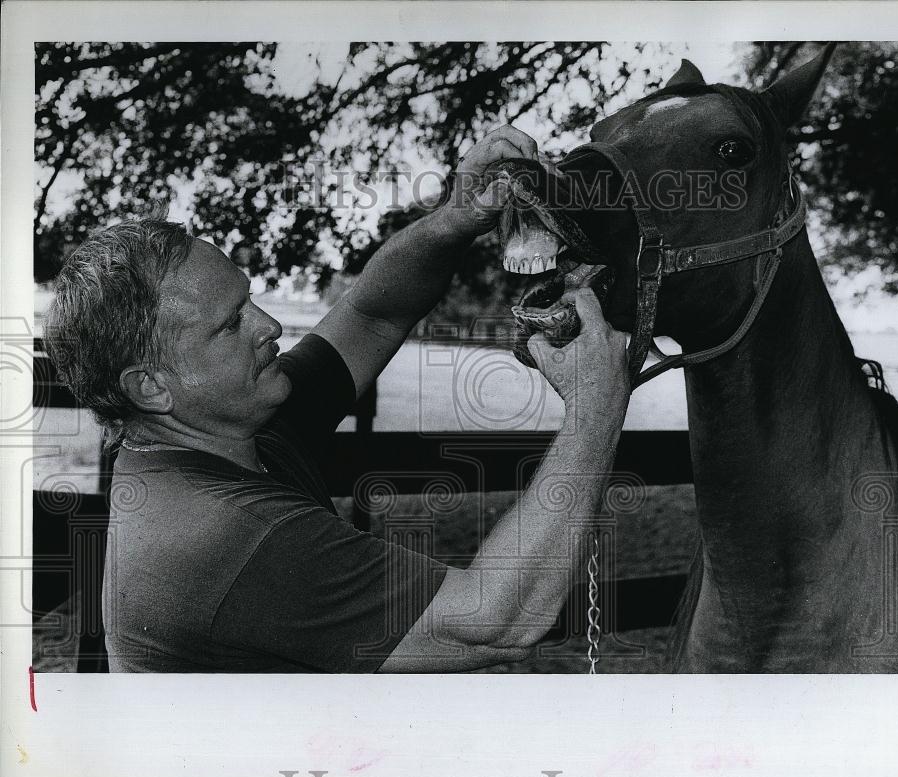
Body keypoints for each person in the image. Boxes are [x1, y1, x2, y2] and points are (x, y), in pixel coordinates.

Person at [46, 126, 630, 673]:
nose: (269, 324)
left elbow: (372, 313)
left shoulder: (232, 427)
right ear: (149, 386)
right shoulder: (224, 537)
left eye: (250, 300)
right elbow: (497, 620)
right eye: (230, 326)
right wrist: (595, 407)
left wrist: (456, 217)